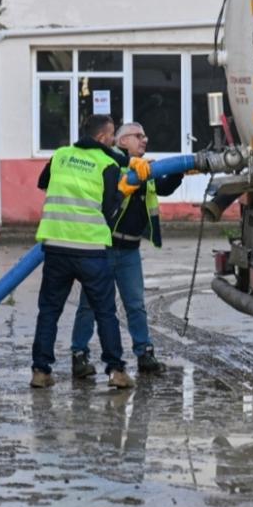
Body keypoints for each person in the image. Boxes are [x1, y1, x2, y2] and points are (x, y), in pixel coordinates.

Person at [29, 114, 150, 390]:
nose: (114, 142)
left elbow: (43, 182)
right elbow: (109, 209)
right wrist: (124, 190)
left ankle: (40, 371)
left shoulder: (60, 155)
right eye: (111, 137)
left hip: (56, 247)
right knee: (105, 312)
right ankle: (116, 372)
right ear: (102, 138)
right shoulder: (106, 163)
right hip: (90, 249)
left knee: (48, 311)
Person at [70, 122, 182, 378]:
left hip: (130, 250)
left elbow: (163, 187)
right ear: (121, 142)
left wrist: (180, 170)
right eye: (138, 136)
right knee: (89, 304)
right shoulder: (112, 164)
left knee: (135, 304)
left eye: (145, 135)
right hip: (103, 248)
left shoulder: (146, 169)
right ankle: (79, 354)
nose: (145, 139)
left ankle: (145, 354)